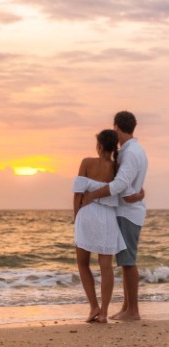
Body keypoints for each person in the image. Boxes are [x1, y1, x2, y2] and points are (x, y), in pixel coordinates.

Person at [82, 111, 148, 321]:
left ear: (117, 128)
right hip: (127, 210)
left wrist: (93, 195)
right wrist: (139, 193)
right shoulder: (133, 150)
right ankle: (127, 307)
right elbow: (130, 181)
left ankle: (133, 310)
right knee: (125, 260)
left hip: (127, 214)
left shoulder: (131, 152)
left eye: (114, 128)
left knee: (128, 261)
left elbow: (120, 184)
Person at [73, 129, 131, 323]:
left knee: (82, 263)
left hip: (87, 213)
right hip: (107, 216)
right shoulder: (117, 167)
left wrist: (76, 218)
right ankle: (104, 312)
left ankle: (93, 307)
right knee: (105, 266)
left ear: (99, 145)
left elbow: (78, 194)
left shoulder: (86, 162)